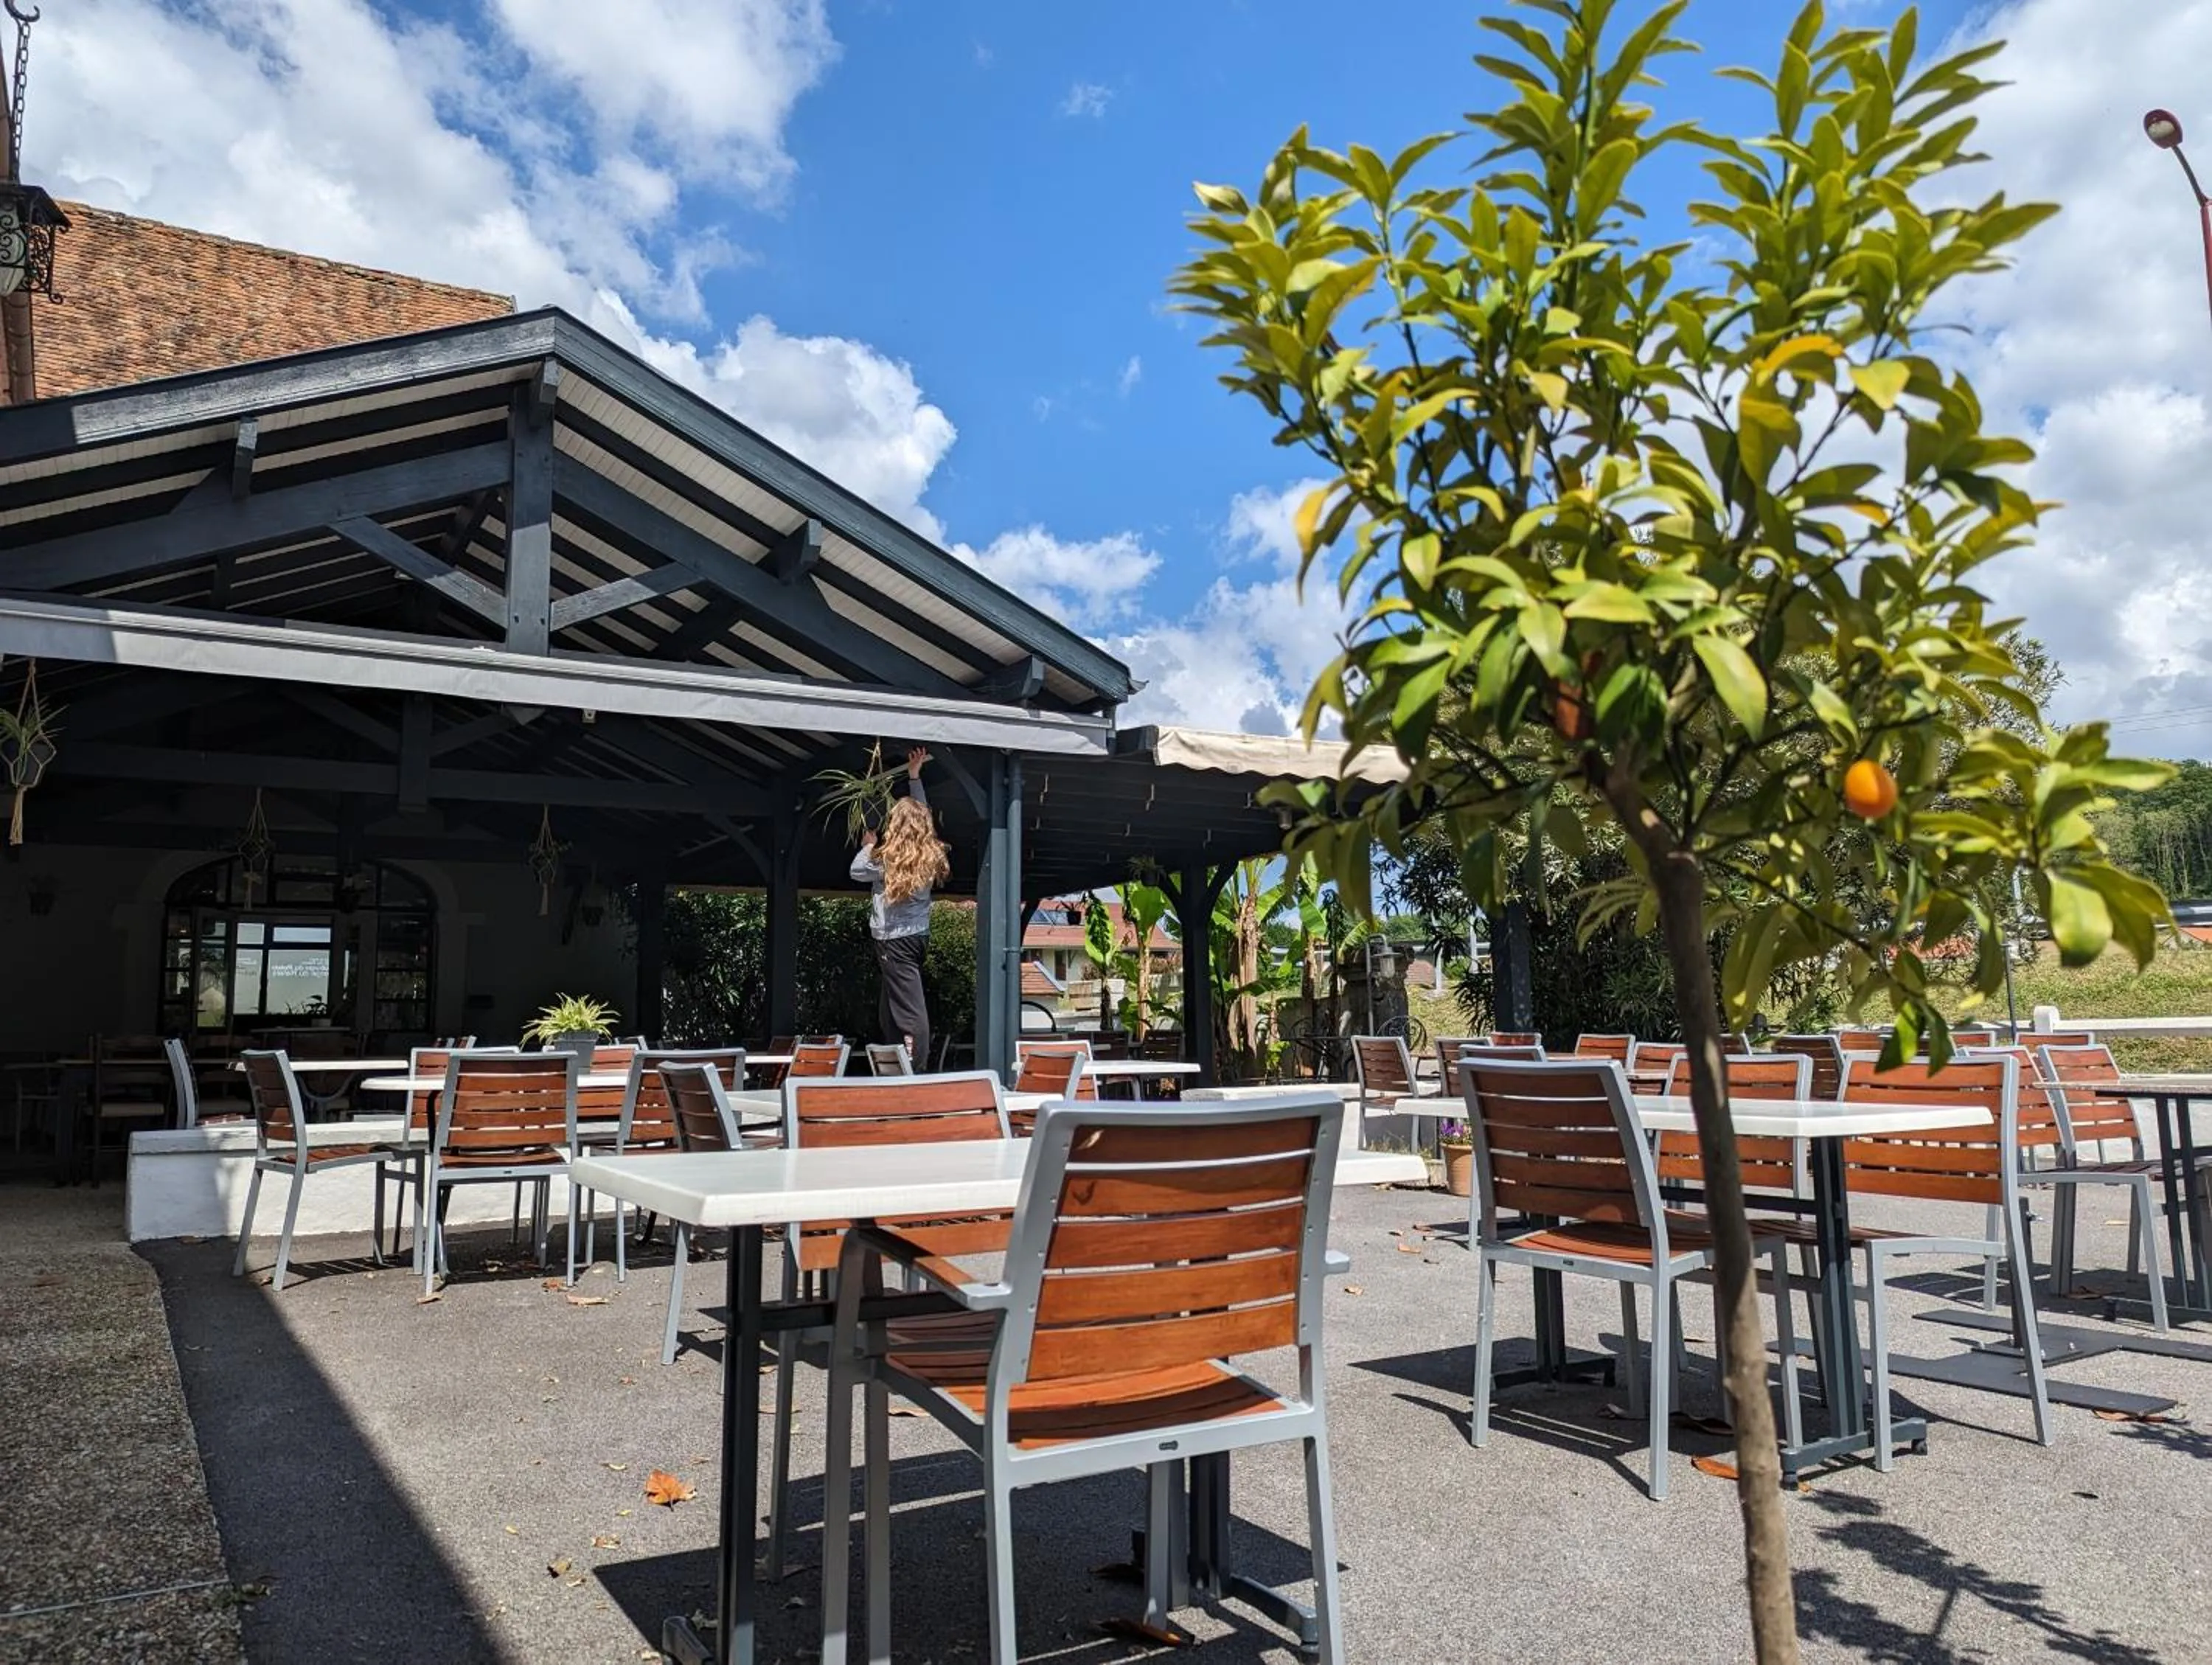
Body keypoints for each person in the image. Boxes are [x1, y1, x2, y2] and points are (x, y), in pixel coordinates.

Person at [850, 746, 950, 1068]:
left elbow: (856, 871)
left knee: (909, 1011)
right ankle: (894, 1066)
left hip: (893, 940)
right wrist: (914, 777)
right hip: (915, 937)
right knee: (889, 1010)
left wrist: (868, 846)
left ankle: (914, 1072)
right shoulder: (928, 853)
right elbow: (921, 813)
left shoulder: (888, 862)